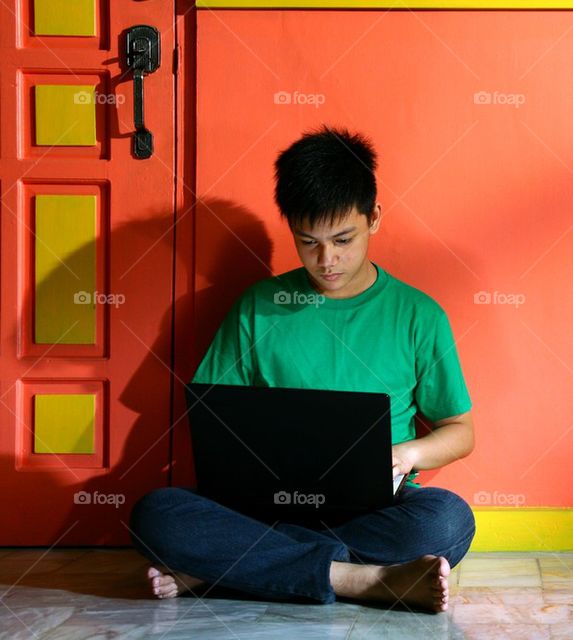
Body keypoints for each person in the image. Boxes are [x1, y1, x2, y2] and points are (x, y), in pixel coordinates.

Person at [128, 126, 476, 613]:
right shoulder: (257, 307)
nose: (327, 260)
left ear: (373, 217)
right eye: (308, 241)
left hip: (369, 509)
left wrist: (405, 454)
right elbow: (214, 421)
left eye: (342, 239)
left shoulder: (418, 315)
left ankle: (228, 570)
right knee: (156, 514)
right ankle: (359, 579)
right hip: (262, 507)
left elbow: (459, 431)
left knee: (447, 521)